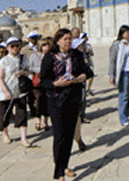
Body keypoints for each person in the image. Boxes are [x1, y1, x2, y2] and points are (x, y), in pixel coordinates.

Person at [40, 28, 92, 181]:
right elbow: (44, 80)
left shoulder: (76, 54)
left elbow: (87, 72)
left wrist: (80, 78)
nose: (68, 41)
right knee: (59, 136)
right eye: (65, 39)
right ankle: (59, 174)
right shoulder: (49, 57)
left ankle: (64, 166)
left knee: (69, 136)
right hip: (56, 100)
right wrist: (57, 83)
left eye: (70, 39)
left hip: (73, 99)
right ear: (57, 41)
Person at [0, 37, 31, 147]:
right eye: (12, 46)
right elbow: (0, 78)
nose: (15, 48)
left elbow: (29, 71)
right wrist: (6, 91)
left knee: (22, 113)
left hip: (20, 90)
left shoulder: (23, 58)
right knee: (5, 113)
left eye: (17, 45)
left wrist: (23, 73)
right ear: (7, 48)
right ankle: (5, 134)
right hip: (6, 91)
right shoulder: (4, 60)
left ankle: (23, 137)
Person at [22, 31, 42, 128]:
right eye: (33, 37)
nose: (35, 39)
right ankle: (33, 111)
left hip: (39, 75)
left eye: (36, 37)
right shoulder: (25, 49)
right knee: (30, 95)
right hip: (29, 75)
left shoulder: (40, 47)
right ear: (29, 39)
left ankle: (40, 111)